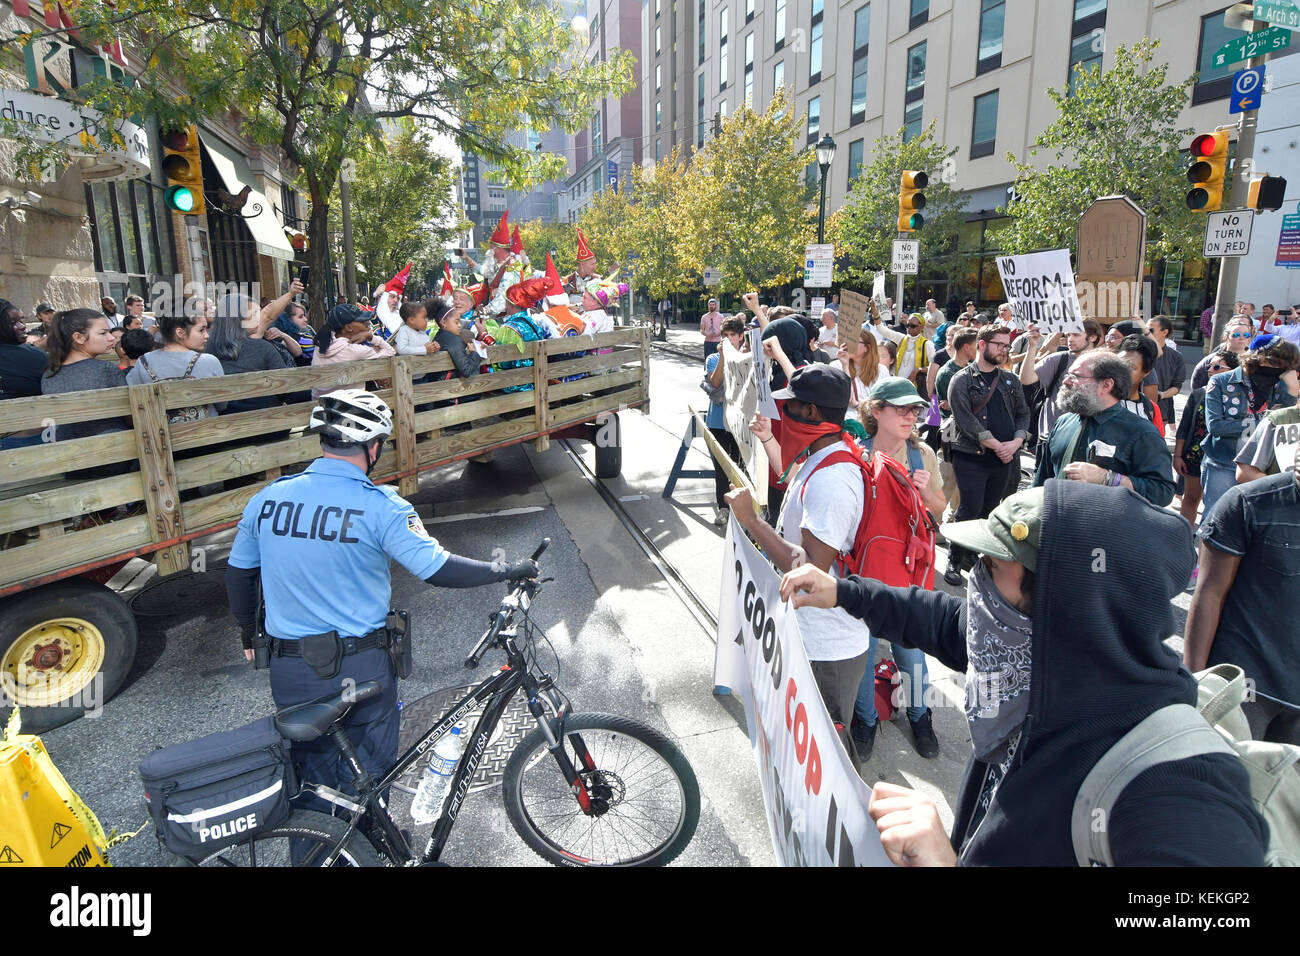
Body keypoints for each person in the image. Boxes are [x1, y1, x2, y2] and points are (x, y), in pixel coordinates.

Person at [779, 482, 1268, 866]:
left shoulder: (1181, 792)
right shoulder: (1040, 654)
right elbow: (952, 623)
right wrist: (844, 593)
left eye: (991, 567)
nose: (974, 582)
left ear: (1065, 602)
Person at [224, 390, 540, 840]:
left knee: (310, 783)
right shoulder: (380, 505)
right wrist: (507, 568)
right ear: (373, 447)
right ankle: (370, 848)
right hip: (360, 668)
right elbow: (439, 569)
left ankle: (317, 849)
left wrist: (247, 632)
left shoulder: (268, 499)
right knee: (370, 778)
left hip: (290, 669)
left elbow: (239, 576)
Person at [726, 365, 870, 763]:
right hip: (811, 636)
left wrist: (751, 521)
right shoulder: (824, 455)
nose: (780, 413)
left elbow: (808, 573)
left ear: (810, 413)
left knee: (830, 757)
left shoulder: (832, 480)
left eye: (788, 407)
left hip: (828, 647)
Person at [850, 377, 945, 759]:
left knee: (911, 651)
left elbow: (939, 511)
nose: (911, 416)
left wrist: (926, 493)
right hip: (867, 569)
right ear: (876, 410)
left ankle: (921, 715)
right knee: (864, 650)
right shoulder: (857, 454)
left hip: (909, 575)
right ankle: (865, 719)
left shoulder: (923, 456)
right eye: (902, 408)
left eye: (915, 409)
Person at [1185, 465, 1300, 744]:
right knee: (1223, 781)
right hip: (1242, 690)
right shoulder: (1247, 504)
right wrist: (1192, 685)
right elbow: (1209, 594)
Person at [944, 324, 1029, 586]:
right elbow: (965, 419)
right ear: (982, 345)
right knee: (969, 508)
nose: (1003, 350)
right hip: (971, 455)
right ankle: (955, 559)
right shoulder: (962, 379)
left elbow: (1023, 414)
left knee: (991, 511)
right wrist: (995, 444)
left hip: (1004, 457)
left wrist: (1015, 442)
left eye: (1006, 346)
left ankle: (975, 556)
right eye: (998, 345)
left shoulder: (1009, 380)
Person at [1033, 349, 1174, 506]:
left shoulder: (1141, 432)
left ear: (1106, 385)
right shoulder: (1064, 422)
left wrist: (1107, 478)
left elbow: (1162, 491)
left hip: (1107, 527)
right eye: (1067, 375)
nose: (1065, 381)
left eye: (1075, 376)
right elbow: (1043, 481)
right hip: (1058, 522)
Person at [1201, 336, 1300, 516]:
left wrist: (1293, 392)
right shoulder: (1221, 381)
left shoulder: (1282, 384)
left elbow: (1286, 427)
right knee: (1216, 517)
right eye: (1275, 363)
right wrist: (1265, 421)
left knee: (1253, 520)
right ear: (1257, 359)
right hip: (1224, 462)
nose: (1279, 370)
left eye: (1284, 366)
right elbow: (1216, 426)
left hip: (1261, 468)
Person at [40, 309, 132, 476]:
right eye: (103, 333)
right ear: (79, 337)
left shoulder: (48, 375)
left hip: (69, 463)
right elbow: (131, 419)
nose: (111, 338)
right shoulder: (106, 369)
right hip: (112, 458)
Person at [1017, 320, 1105, 462]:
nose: (1070, 339)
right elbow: (1026, 379)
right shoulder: (1058, 359)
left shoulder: (1106, 363)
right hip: (1052, 437)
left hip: (1090, 439)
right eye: (1068, 335)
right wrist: (1032, 347)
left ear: (1093, 337)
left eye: (1076, 335)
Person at [1176, 349, 1238, 526]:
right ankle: (1183, 536)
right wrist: (1177, 455)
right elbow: (1184, 427)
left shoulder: (1240, 397)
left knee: (1217, 502)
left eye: (1217, 367)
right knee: (1191, 498)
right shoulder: (1199, 394)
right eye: (1209, 366)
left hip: (1223, 458)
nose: (1210, 370)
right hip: (1195, 454)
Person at [128, 312, 225, 416]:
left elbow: (136, 403)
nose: (207, 335)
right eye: (201, 330)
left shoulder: (143, 362)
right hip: (208, 430)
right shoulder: (209, 361)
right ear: (180, 333)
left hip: (159, 430)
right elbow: (222, 405)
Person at [205, 302, 294, 413]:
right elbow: (287, 387)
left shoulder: (205, 350)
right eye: (255, 313)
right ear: (239, 318)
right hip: (269, 423)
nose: (259, 317)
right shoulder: (262, 347)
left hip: (224, 425)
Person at [704, 317, 746, 526]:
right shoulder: (713, 358)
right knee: (721, 467)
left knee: (741, 465)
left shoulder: (747, 358)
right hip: (718, 422)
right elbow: (715, 381)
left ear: (741, 337)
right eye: (725, 336)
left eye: (732, 335)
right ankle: (723, 508)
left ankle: (741, 508)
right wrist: (722, 356)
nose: (729, 339)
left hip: (741, 423)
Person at [311, 303, 397, 400]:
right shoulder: (353, 350)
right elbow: (390, 352)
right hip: (349, 405)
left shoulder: (322, 343)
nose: (367, 324)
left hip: (319, 404)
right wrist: (371, 337)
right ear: (348, 327)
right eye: (362, 321)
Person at [0, 299, 49, 449]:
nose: (22, 326)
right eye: (13, 322)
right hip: (24, 440)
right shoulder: (33, 356)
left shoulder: (33, 353)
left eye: (22, 320)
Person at [1114, 334, 1163, 432]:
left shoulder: (1151, 409)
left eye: (1131, 367)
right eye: (1119, 363)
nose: (1122, 370)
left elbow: (1156, 444)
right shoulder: (1098, 401)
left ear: (1146, 372)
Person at [1147, 316, 1186, 437]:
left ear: (1164, 332)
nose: (1146, 333)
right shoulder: (1137, 353)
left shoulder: (1176, 357)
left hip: (1160, 410)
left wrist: (1161, 395)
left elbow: (1177, 386)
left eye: (1151, 330)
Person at [1190, 317, 1253, 390]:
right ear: (1226, 337)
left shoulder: (1254, 360)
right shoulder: (1212, 360)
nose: (1241, 338)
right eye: (1236, 335)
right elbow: (1197, 386)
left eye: (1246, 335)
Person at [836, 326, 890, 407]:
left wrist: (859, 405)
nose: (847, 345)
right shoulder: (836, 365)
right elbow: (846, 398)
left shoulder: (881, 370)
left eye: (853, 341)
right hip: (847, 417)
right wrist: (845, 365)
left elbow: (885, 401)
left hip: (872, 417)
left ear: (867, 348)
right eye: (846, 341)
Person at [892, 314, 936, 397]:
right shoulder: (902, 339)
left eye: (912, 326)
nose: (909, 328)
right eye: (907, 325)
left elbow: (934, 368)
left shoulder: (927, 344)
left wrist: (918, 370)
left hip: (914, 389)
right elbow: (882, 329)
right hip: (897, 385)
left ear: (921, 327)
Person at [269, 301, 315, 367]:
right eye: (300, 317)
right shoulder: (304, 339)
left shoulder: (279, 339)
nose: (305, 319)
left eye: (304, 315)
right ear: (287, 319)